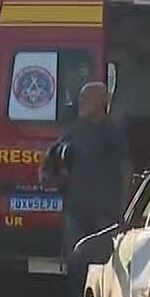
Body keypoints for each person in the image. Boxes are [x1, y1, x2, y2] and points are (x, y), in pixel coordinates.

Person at [42, 82, 130, 270]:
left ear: (102, 100)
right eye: (81, 97)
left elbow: (126, 169)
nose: (80, 102)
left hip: (105, 211)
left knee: (101, 265)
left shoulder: (113, 132)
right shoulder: (75, 130)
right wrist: (53, 172)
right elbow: (53, 155)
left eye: (86, 97)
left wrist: (124, 209)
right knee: (75, 262)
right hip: (76, 209)